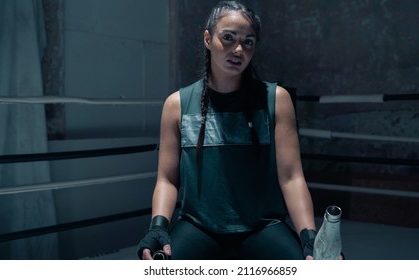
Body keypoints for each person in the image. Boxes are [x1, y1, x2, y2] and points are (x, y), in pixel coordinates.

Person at [137, 0, 320, 260]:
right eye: (228, 38)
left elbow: (291, 177)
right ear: (207, 39)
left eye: (248, 42)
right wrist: (158, 227)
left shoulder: (276, 99)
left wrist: (309, 237)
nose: (238, 49)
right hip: (198, 227)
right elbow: (167, 179)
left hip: (263, 226)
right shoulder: (176, 105)